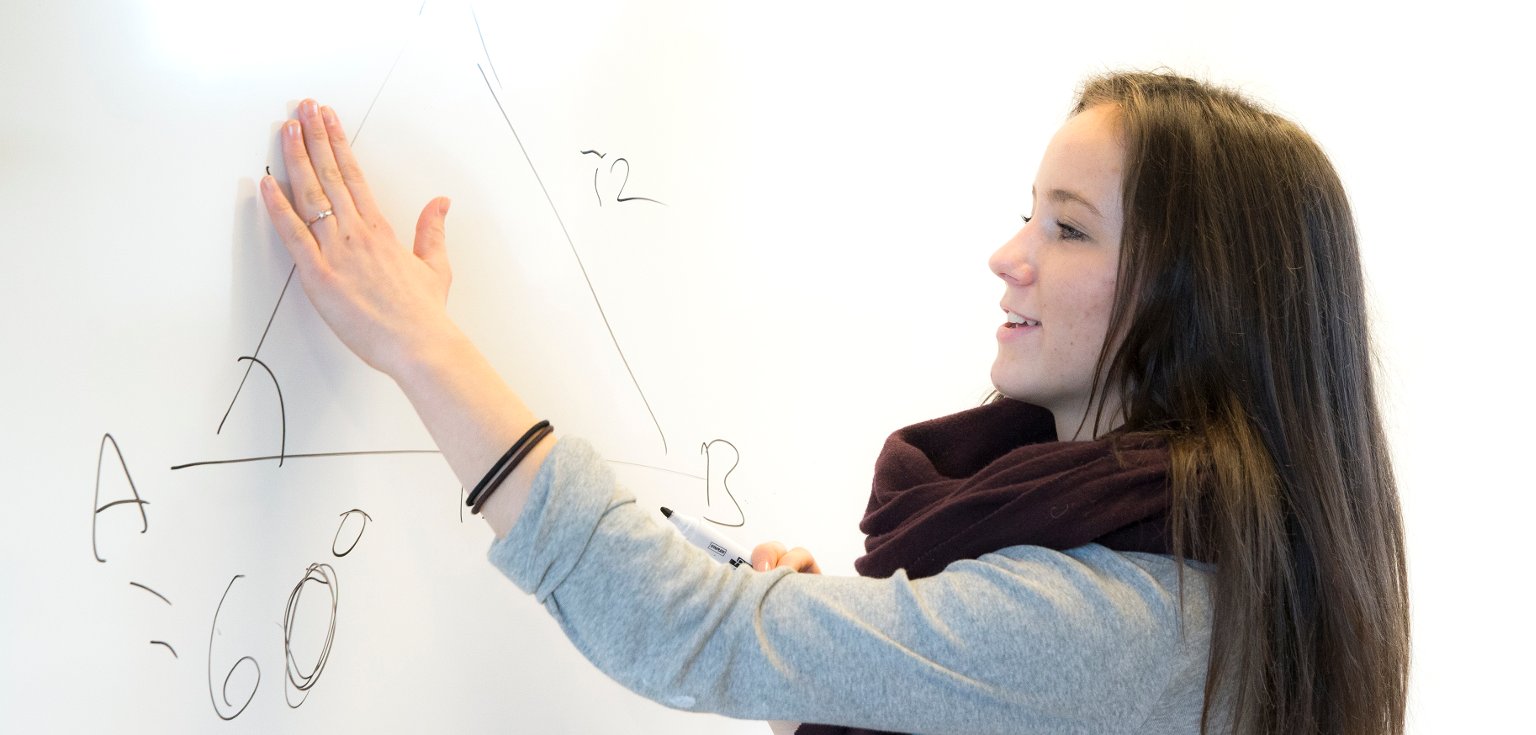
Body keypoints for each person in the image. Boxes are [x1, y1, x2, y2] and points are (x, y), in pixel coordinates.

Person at [257, 70, 1409, 734]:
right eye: (1029, 213)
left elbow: (683, 624)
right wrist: (845, 670)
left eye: (1067, 228)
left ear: (1195, 294)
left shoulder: (1125, 619)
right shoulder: (1202, 582)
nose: (1008, 255)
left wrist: (421, 344)